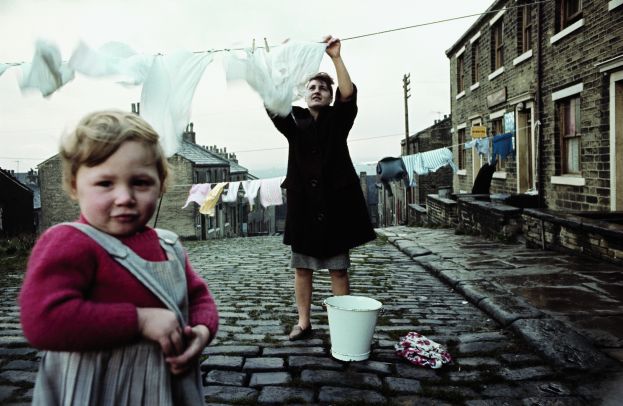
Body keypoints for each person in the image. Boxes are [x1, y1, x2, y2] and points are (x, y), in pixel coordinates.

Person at [19, 110, 219, 405]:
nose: (124, 197)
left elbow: (198, 297)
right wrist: (138, 321)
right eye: (105, 184)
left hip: (166, 389)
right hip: (95, 389)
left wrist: (202, 331)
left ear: (160, 184)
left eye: (140, 182)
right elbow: (42, 321)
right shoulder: (69, 242)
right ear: (75, 186)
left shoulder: (168, 245)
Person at [268, 36, 376, 341]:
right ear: (304, 95)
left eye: (323, 88)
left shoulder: (339, 119)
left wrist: (336, 58)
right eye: (312, 88)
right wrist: (283, 62)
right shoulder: (293, 121)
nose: (317, 91)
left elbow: (348, 94)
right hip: (304, 206)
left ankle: (342, 327)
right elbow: (272, 101)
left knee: (338, 271)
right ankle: (304, 323)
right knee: (302, 269)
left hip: (336, 206)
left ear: (329, 96)